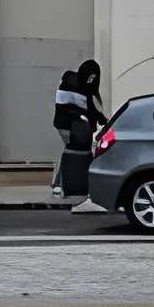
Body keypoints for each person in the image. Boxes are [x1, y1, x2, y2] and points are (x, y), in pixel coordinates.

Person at [51, 61, 105, 202]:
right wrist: (81, 116)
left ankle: (61, 182)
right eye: (90, 76)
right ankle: (60, 183)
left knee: (73, 151)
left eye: (94, 77)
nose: (92, 79)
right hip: (66, 125)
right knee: (71, 150)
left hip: (79, 126)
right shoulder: (72, 81)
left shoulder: (87, 87)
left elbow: (91, 109)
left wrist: (101, 119)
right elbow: (63, 105)